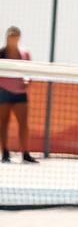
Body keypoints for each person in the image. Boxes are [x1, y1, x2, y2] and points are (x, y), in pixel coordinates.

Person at [0, 26, 37, 164]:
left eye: (15, 35)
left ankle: (25, 153)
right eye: (11, 35)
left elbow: (30, 71)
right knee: (3, 123)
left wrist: (28, 81)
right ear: (7, 37)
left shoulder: (25, 53)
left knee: (24, 124)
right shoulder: (1, 53)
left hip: (20, 93)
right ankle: (5, 153)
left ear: (19, 37)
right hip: (3, 92)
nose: (13, 38)